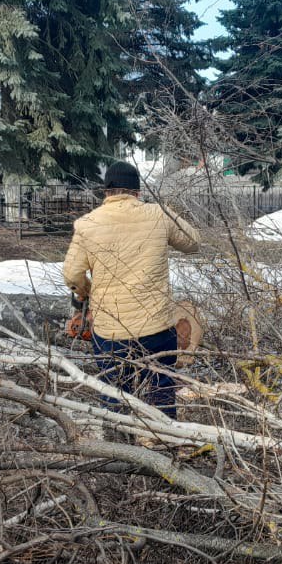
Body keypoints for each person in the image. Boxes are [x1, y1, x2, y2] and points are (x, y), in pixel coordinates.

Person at [63, 160, 200, 419]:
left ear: (106, 192)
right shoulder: (158, 214)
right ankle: (165, 444)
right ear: (137, 191)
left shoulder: (87, 224)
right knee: (162, 392)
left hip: (110, 332)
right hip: (157, 328)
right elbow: (194, 242)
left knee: (115, 395)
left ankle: (120, 447)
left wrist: (88, 292)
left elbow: (72, 275)